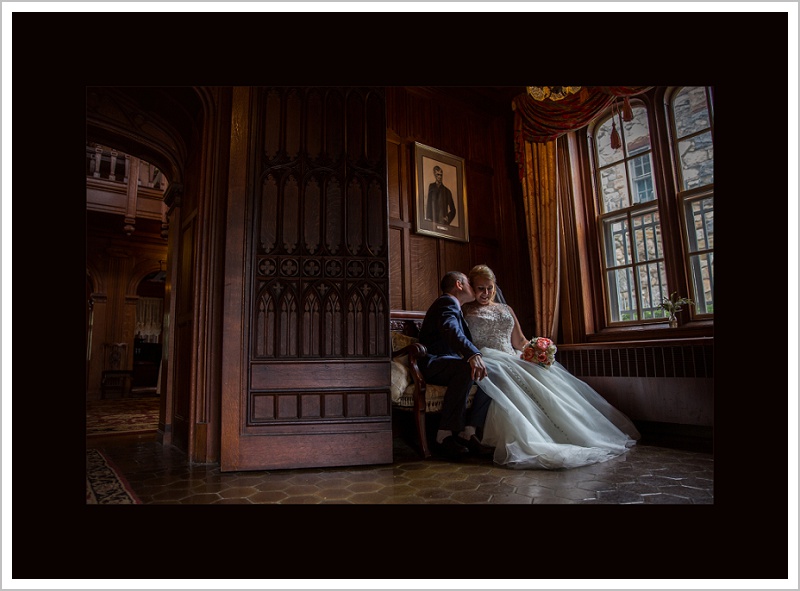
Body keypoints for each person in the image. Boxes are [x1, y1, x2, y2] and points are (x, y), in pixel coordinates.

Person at [461, 264, 640, 469]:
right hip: (487, 357)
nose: (485, 293)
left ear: (495, 288)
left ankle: (570, 432)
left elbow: (519, 341)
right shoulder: (466, 310)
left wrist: (537, 350)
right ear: (472, 288)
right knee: (502, 373)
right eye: (480, 288)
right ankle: (477, 430)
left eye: (489, 288)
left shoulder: (505, 309)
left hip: (511, 355)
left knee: (547, 378)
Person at [417, 271, 493, 459]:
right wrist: (472, 354)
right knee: (468, 367)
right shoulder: (447, 302)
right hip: (432, 363)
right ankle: (444, 435)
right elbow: (450, 329)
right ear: (459, 285)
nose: (472, 288)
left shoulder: (454, 306)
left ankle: (468, 431)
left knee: (491, 372)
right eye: (469, 283)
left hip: (446, 362)